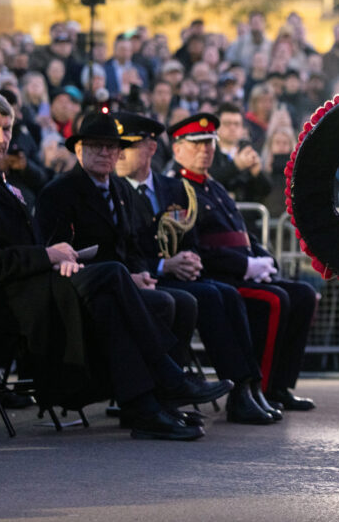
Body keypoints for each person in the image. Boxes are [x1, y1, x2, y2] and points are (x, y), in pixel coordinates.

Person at [0, 92, 232, 441]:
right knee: (113, 274)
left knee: (109, 298)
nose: (2, 137)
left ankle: (145, 408)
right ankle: (168, 379)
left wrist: (60, 259)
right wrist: (49, 257)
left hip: (30, 284)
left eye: (7, 128)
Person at [112, 112, 281, 424]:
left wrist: (188, 258)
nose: (119, 153)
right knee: (210, 296)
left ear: (151, 148)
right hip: (149, 275)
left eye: (129, 147)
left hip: (176, 273)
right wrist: (164, 263)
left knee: (225, 294)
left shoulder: (171, 188)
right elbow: (124, 249)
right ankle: (228, 388)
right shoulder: (117, 190)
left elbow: (189, 236)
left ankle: (244, 386)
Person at [167, 113, 318, 414]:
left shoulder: (215, 187)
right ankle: (252, 390)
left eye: (209, 143)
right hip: (220, 274)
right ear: (177, 150)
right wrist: (243, 266)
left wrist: (263, 257)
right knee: (274, 300)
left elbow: (242, 232)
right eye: (196, 145)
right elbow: (194, 246)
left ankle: (277, 386)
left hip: (242, 269)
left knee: (303, 294)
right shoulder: (176, 189)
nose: (205, 150)